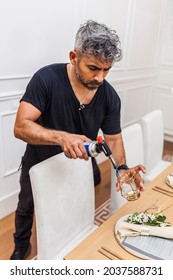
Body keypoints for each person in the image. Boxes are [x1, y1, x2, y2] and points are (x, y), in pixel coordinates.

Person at [10, 20, 146, 260]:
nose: (100, 77)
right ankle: (22, 247)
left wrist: (122, 168)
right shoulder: (46, 78)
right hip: (40, 163)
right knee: (25, 207)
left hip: (80, 167)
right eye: (93, 68)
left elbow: (114, 138)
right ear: (74, 57)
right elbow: (21, 127)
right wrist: (62, 137)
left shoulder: (109, 96)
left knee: (75, 209)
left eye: (106, 70)